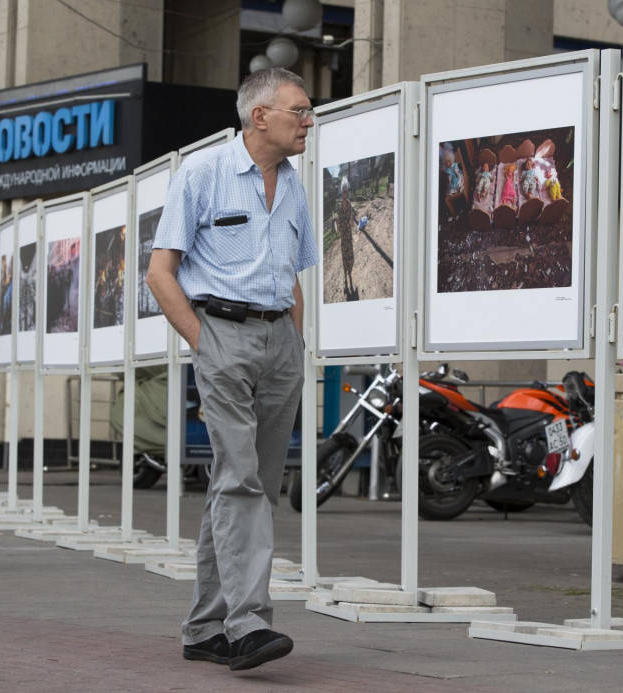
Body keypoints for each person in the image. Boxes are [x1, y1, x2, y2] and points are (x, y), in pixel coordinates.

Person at [145, 67, 318, 672]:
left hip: (279, 345)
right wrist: (204, 343)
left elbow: (292, 274)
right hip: (222, 335)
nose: (308, 120)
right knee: (240, 478)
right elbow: (160, 274)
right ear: (260, 116)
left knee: (248, 486)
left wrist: (294, 342)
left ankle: (201, 629)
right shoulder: (203, 174)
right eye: (299, 110)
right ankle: (248, 623)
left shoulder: (296, 185)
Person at [337, 175, 357, 298]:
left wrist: (351, 221)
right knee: (344, 256)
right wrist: (338, 226)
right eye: (343, 192)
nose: (345, 194)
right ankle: (345, 276)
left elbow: (351, 217)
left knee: (350, 254)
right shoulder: (339, 207)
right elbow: (338, 221)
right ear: (341, 193)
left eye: (346, 192)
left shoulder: (349, 204)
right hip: (343, 237)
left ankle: (349, 273)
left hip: (348, 235)